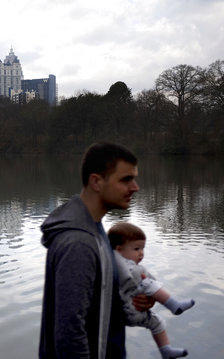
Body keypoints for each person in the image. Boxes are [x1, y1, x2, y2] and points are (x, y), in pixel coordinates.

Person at [39, 142, 151, 359]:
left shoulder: (95, 227)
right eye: (126, 179)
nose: (135, 187)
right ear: (96, 182)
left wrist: (130, 302)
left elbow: (97, 306)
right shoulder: (78, 243)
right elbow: (70, 333)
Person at [108, 222, 195, 359]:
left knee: (157, 322)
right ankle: (173, 304)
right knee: (148, 283)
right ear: (118, 250)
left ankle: (166, 350)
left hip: (127, 314)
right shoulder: (120, 264)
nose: (141, 253)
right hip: (129, 311)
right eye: (137, 249)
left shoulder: (112, 260)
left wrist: (151, 297)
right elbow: (133, 277)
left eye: (143, 248)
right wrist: (150, 283)